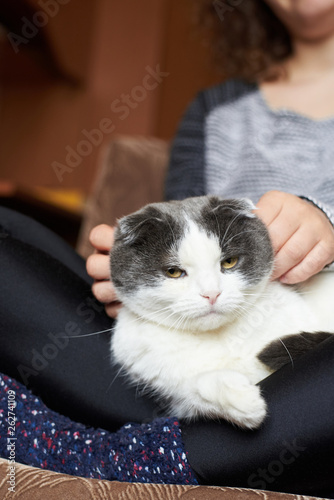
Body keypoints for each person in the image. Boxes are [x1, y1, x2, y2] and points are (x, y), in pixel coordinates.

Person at [1, 0, 334, 496]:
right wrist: (130, 281)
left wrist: (326, 220)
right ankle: (154, 437)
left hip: (305, 370)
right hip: (173, 360)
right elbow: (176, 218)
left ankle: (134, 453)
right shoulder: (215, 107)